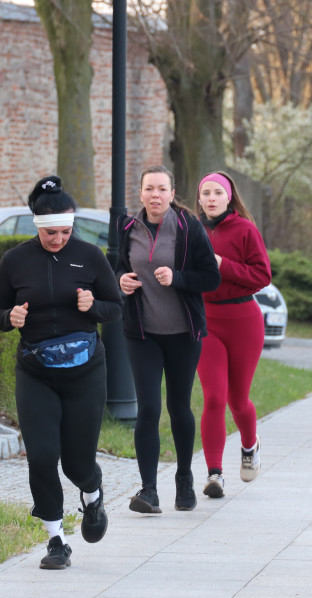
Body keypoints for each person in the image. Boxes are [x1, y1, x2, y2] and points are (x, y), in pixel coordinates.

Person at [0, 175, 122, 569]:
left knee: (77, 464)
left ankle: (92, 497)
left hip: (85, 372)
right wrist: (9, 316)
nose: (59, 239)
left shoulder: (91, 257)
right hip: (36, 373)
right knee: (43, 457)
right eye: (51, 233)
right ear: (37, 225)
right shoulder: (15, 261)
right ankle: (56, 540)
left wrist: (92, 305)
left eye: (66, 232)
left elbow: (115, 308)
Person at [116, 164, 221, 513]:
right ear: (141, 193)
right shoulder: (128, 226)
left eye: (162, 189)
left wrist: (177, 277)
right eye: (149, 189)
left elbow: (210, 278)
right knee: (147, 407)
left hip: (182, 333)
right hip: (142, 332)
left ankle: (184, 478)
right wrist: (121, 281)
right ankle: (148, 490)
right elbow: (114, 265)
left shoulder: (189, 227)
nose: (155, 195)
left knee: (179, 407)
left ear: (172, 194)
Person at [194, 171, 272, 498]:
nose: (211, 198)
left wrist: (222, 264)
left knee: (238, 401)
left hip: (243, 320)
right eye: (205, 193)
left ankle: (249, 446)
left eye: (217, 193)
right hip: (205, 320)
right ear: (199, 199)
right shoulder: (192, 231)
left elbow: (262, 276)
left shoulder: (245, 230)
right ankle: (214, 473)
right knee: (213, 397)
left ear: (229, 197)